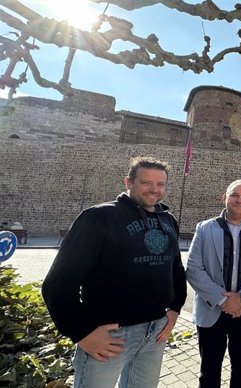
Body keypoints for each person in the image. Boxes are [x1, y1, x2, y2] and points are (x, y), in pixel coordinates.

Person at [42, 156, 187, 388]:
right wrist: (81, 332)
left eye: (160, 184)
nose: (154, 189)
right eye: (146, 182)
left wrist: (176, 308)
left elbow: (176, 267)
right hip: (112, 334)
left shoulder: (167, 219)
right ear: (128, 182)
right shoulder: (99, 217)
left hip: (155, 331)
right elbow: (58, 284)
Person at [186, 179, 241, 388]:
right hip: (211, 310)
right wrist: (222, 299)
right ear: (224, 198)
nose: (239, 200)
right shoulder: (204, 228)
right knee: (208, 369)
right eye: (235, 195)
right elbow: (193, 269)